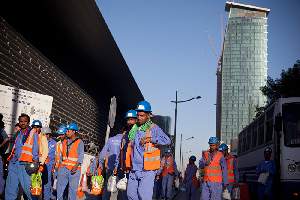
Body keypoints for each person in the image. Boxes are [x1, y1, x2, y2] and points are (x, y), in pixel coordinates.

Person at [126, 101, 171, 200]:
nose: (139, 117)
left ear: (148, 115)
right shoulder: (135, 128)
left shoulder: (154, 128)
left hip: (147, 170)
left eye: (142, 115)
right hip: (135, 169)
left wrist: (151, 139)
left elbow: (167, 140)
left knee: (144, 196)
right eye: (138, 115)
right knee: (131, 195)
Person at [5, 114, 39, 200]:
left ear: (28, 122)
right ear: (19, 122)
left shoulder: (32, 133)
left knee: (28, 188)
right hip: (14, 163)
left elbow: (35, 148)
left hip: (25, 164)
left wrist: (35, 161)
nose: (23, 123)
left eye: (25, 121)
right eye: (21, 121)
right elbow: (14, 147)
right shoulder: (18, 133)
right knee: (10, 188)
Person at [56, 122, 84, 200]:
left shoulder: (80, 142)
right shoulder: (64, 141)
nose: (67, 132)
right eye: (67, 130)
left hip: (74, 170)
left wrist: (76, 166)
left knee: (72, 191)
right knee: (60, 189)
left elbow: (81, 156)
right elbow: (61, 155)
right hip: (63, 168)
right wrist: (59, 168)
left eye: (68, 130)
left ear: (74, 131)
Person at [97, 128, 124, 200]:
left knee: (107, 186)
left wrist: (100, 164)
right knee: (121, 188)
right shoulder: (125, 140)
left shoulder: (110, 139)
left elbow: (103, 153)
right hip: (121, 168)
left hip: (110, 167)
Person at [41, 127, 57, 200]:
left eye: (46, 134)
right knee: (38, 182)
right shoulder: (40, 141)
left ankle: (47, 198)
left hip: (49, 166)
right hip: (40, 164)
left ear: (49, 134)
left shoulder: (54, 143)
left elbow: (56, 156)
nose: (45, 136)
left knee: (47, 183)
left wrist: (54, 166)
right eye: (43, 134)